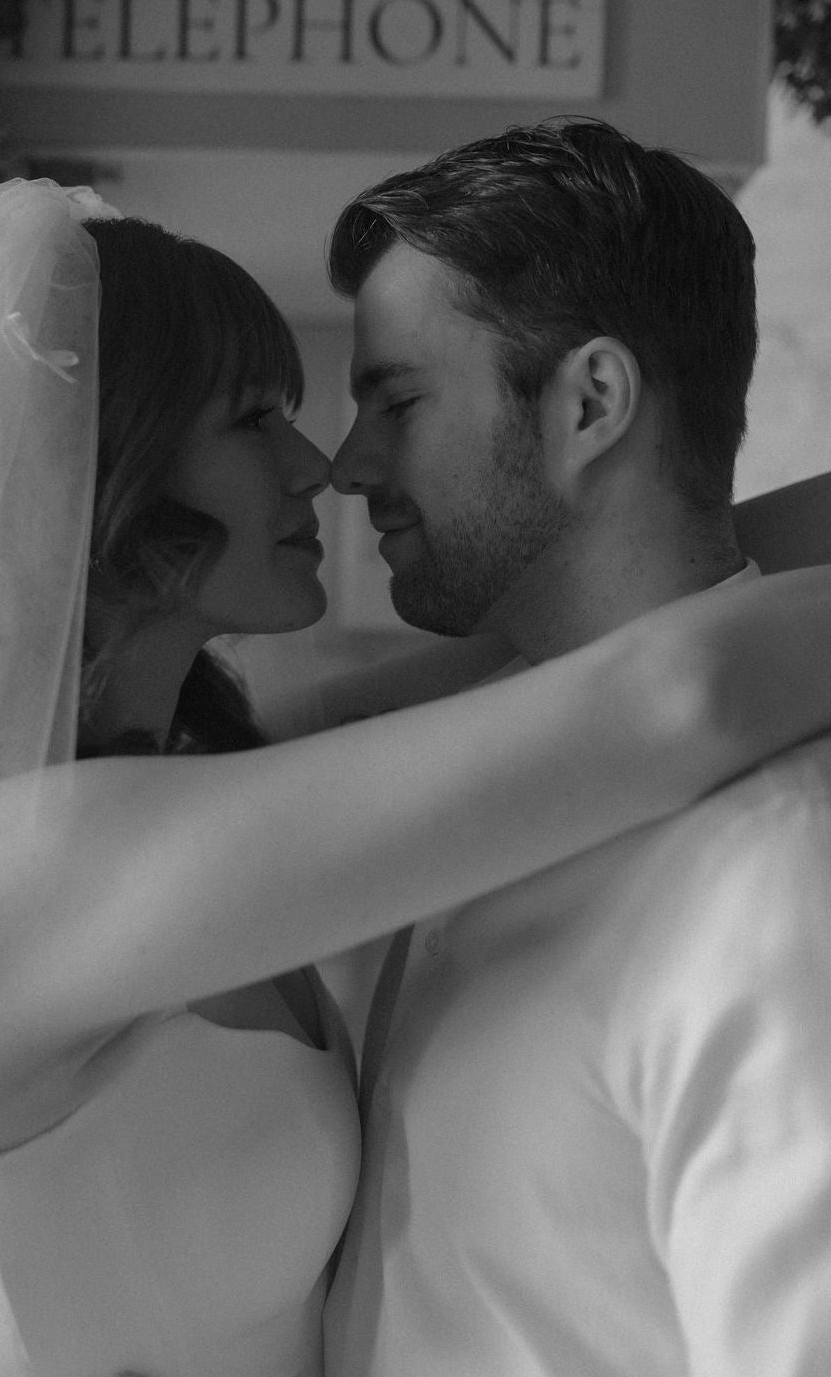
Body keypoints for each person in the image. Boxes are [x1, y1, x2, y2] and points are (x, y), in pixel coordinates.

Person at [0, 181, 828, 1377]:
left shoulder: (201, 784)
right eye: (251, 421)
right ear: (97, 463)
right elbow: (667, 696)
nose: (318, 468)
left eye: (379, 399)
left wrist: (666, 474)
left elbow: (583, 636)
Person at [321, 118, 831, 1377]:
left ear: (589, 402)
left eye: (394, 400)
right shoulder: (468, 778)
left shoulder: (780, 877)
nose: (345, 467)